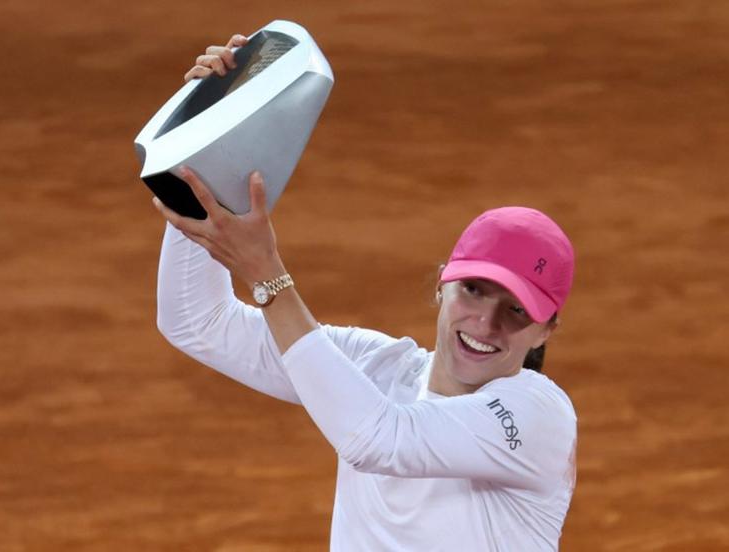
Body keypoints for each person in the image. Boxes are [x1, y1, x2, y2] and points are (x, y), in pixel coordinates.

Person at [153, 34, 578, 552]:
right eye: (473, 291)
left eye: (516, 311)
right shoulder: (378, 369)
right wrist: (204, 161)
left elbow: (379, 439)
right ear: (443, 284)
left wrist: (267, 273)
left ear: (547, 327)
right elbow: (198, 322)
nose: (485, 324)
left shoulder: (535, 416)